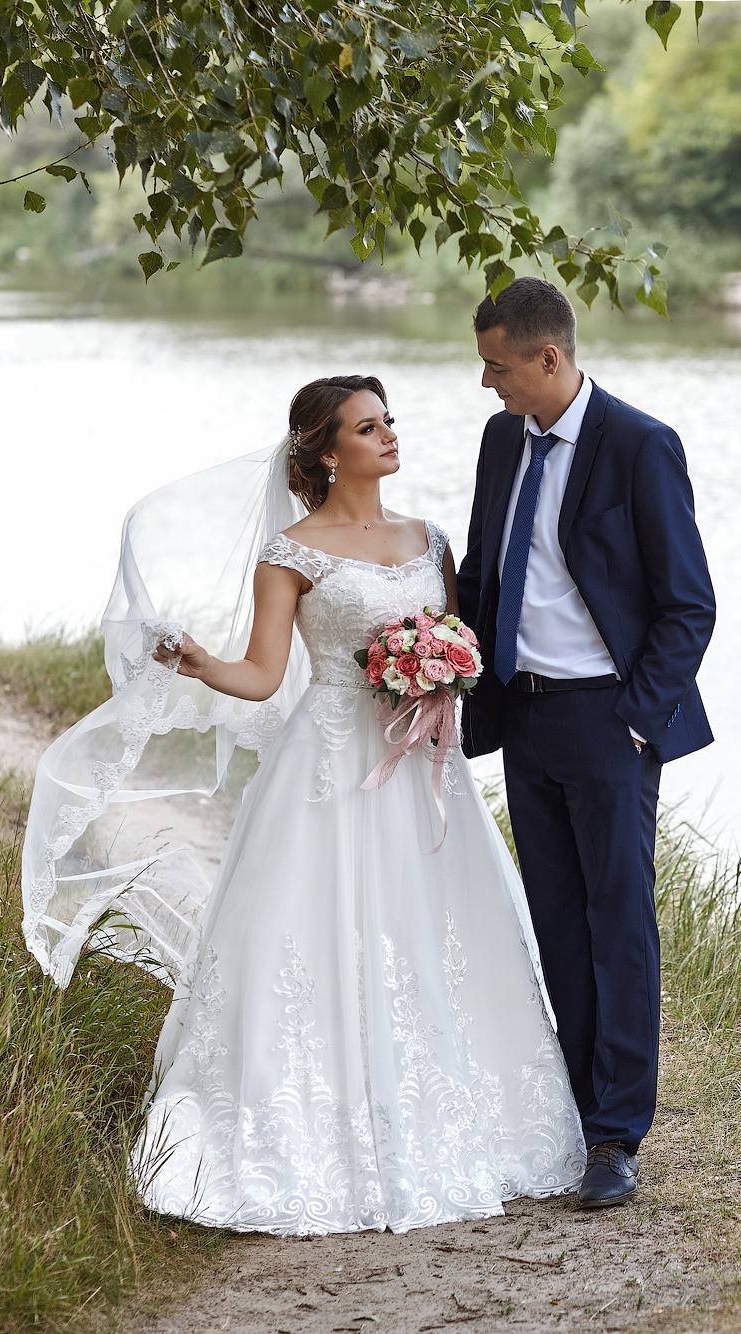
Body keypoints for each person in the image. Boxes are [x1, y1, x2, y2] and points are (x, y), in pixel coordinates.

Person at [112, 375, 586, 1234]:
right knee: (317, 933)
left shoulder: (431, 538)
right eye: (370, 428)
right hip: (330, 766)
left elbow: (461, 643)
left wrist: (445, 673)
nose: (390, 436)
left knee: (438, 928)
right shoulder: (291, 554)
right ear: (329, 452)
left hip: (422, 771)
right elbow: (260, 677)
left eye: (390, 421)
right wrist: (195, 660)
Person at [457, 278, 717, 1209]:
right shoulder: (501, 441)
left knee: (619, 925)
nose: (486, 382)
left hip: (610, 721)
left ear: (548, 358)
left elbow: (690, 602)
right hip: (523, 716)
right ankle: (568, 1109)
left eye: (497, 365)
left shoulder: (641, 447)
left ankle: (616, 1134)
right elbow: (488, 567)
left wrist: (639, 719)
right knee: (557, 923)